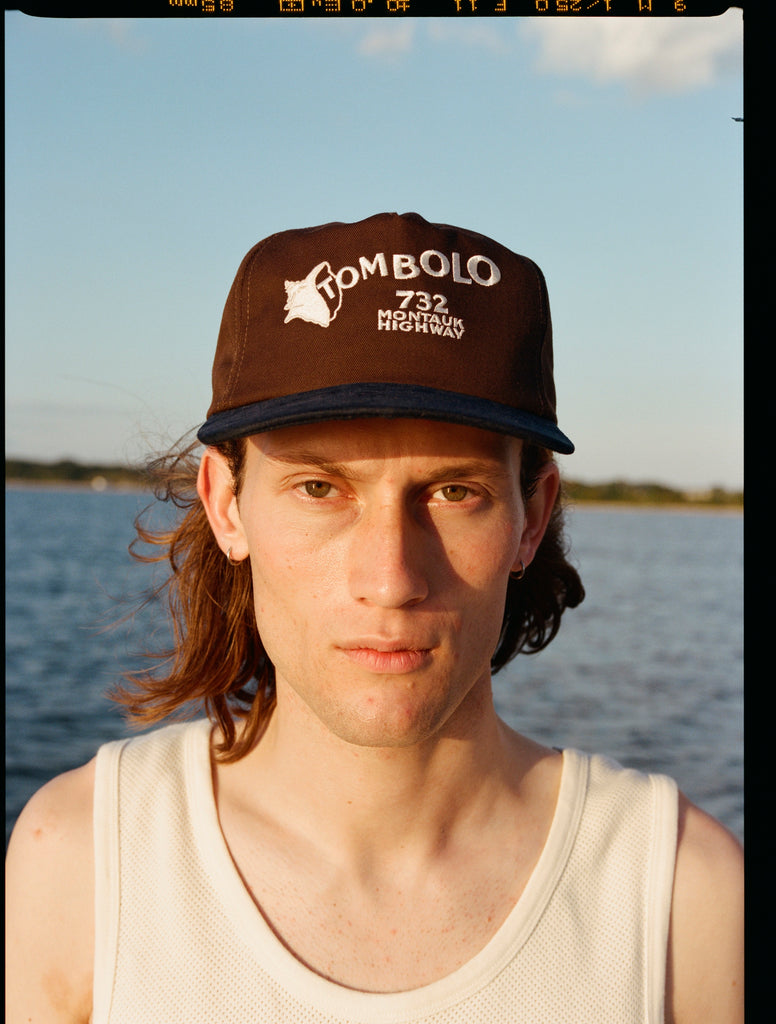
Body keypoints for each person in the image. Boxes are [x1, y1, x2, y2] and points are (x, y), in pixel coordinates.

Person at [5, 212, 743, 1023]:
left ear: (531, 516)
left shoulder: (683, 898)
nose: (390, 579)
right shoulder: (83, 861)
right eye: (320, 489)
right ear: (227, 505)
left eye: (454, 492)